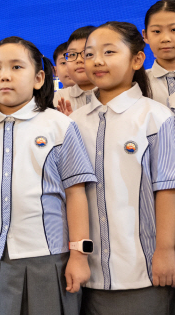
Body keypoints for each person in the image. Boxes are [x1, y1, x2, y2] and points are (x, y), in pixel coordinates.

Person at [0, 37, 96, 315]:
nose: (5, 75)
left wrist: (79, 256)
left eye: (16, 67)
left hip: (49, 258)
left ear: (38, 78)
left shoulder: (59, 126)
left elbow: (76, 193)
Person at [70, 22, 175, 314]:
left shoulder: (156, 117)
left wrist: (166, 251)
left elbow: (168, 189)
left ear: (137, 59)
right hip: (83, 274)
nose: (97, 61)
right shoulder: (73, 123)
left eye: (109, 52)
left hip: (141, 270)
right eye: (89, 55)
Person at [55, 26, 97, 115]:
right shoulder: (57, 99)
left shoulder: (114, 94)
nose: (78, 60)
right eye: (72, 54)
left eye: (87, 53)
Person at [143, 0, 175, 108]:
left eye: (174, 30)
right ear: (145, 35)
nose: (165, 39)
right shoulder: (138, 82)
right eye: (157, 31)